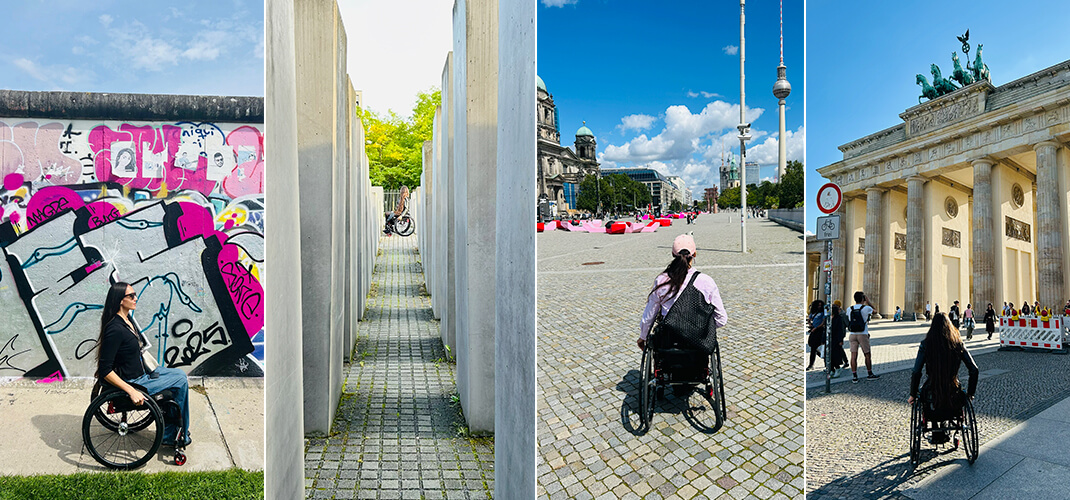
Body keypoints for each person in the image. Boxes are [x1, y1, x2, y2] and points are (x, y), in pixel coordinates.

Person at [96, 282, 191, 448]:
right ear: (120, 300)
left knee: (179, 375)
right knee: (180, 381)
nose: (135, 298)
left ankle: (173, 431)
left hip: (144, 373)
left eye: (135, 294)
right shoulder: (115, 328)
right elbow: (105, 370)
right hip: (136, 381)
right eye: (131, 296)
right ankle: (174, 434)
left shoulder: (126, 320)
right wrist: (131, 391)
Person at [638, 234, 727, 352]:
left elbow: (649, 315)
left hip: (667, 340)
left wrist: (643, 337)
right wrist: (702, 327)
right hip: (698, 342)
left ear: (673, 255)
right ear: (694, 255)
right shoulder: (706, 281)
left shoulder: (662, 280)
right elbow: (721, 319)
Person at [908, 312, 979, 444]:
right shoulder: (958, 344)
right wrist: (970, 393)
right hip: (953, 391)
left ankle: (936, 431)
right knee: (951, 396)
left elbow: (916, 371)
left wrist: (913, 394)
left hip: (931, 391)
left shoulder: (926, 344)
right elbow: (974, 370)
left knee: (928, 397)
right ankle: (948, 430)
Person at [847, 291, 880, 383]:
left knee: (853, 355)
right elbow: (875, 311)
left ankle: (854, 376)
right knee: (867, 355)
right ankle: (869, 374)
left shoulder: (849, 309)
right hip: (863, 333)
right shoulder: (866, 308)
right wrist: (868, 302)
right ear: (863, 299)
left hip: (852, 334)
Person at [806, 300, 826, 371]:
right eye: (818, 305)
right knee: (811, 344)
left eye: (820, 305)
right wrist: (810, 324)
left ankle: (823, 362)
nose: (819, 307)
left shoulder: (823, 312)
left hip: (819, 331)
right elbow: (809, 319)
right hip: (813, 330)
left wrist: (816, 327)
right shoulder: (813, 312)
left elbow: (823, 322)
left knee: (818, 346)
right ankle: (813, 362)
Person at [829, 301, 849, 374]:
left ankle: (844, 362)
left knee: (838, 348)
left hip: (840, 333)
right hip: (834, 334)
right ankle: (833, 365)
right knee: (838, 349)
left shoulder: (842, 314)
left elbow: (846, 323)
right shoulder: (831, 316)